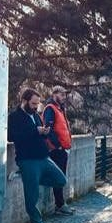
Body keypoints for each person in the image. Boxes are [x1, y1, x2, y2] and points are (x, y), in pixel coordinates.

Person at [7, 88, 67, 223]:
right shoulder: (15, 117)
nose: (36, 106)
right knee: (31, 196)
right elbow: (12, 136)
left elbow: (38, 132)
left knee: (61, 180)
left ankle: (30, 177)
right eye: (34, 103)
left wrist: (45, 133)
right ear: (25, 101)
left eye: (37, 104)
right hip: (28, 159)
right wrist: (36, 131)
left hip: (43, 157)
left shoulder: (36, 115)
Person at [43, 84, 74, 215]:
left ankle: (60, 204)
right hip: (57, 150)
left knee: (60, 176)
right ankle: (60, 205)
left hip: (62, 149)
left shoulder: (60, 109)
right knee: (59, 177)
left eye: (64, 95)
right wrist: (58, 145)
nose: (63, 97)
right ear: (54, 94)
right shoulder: (50, 109)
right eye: (61, 94)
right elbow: (48, 130)